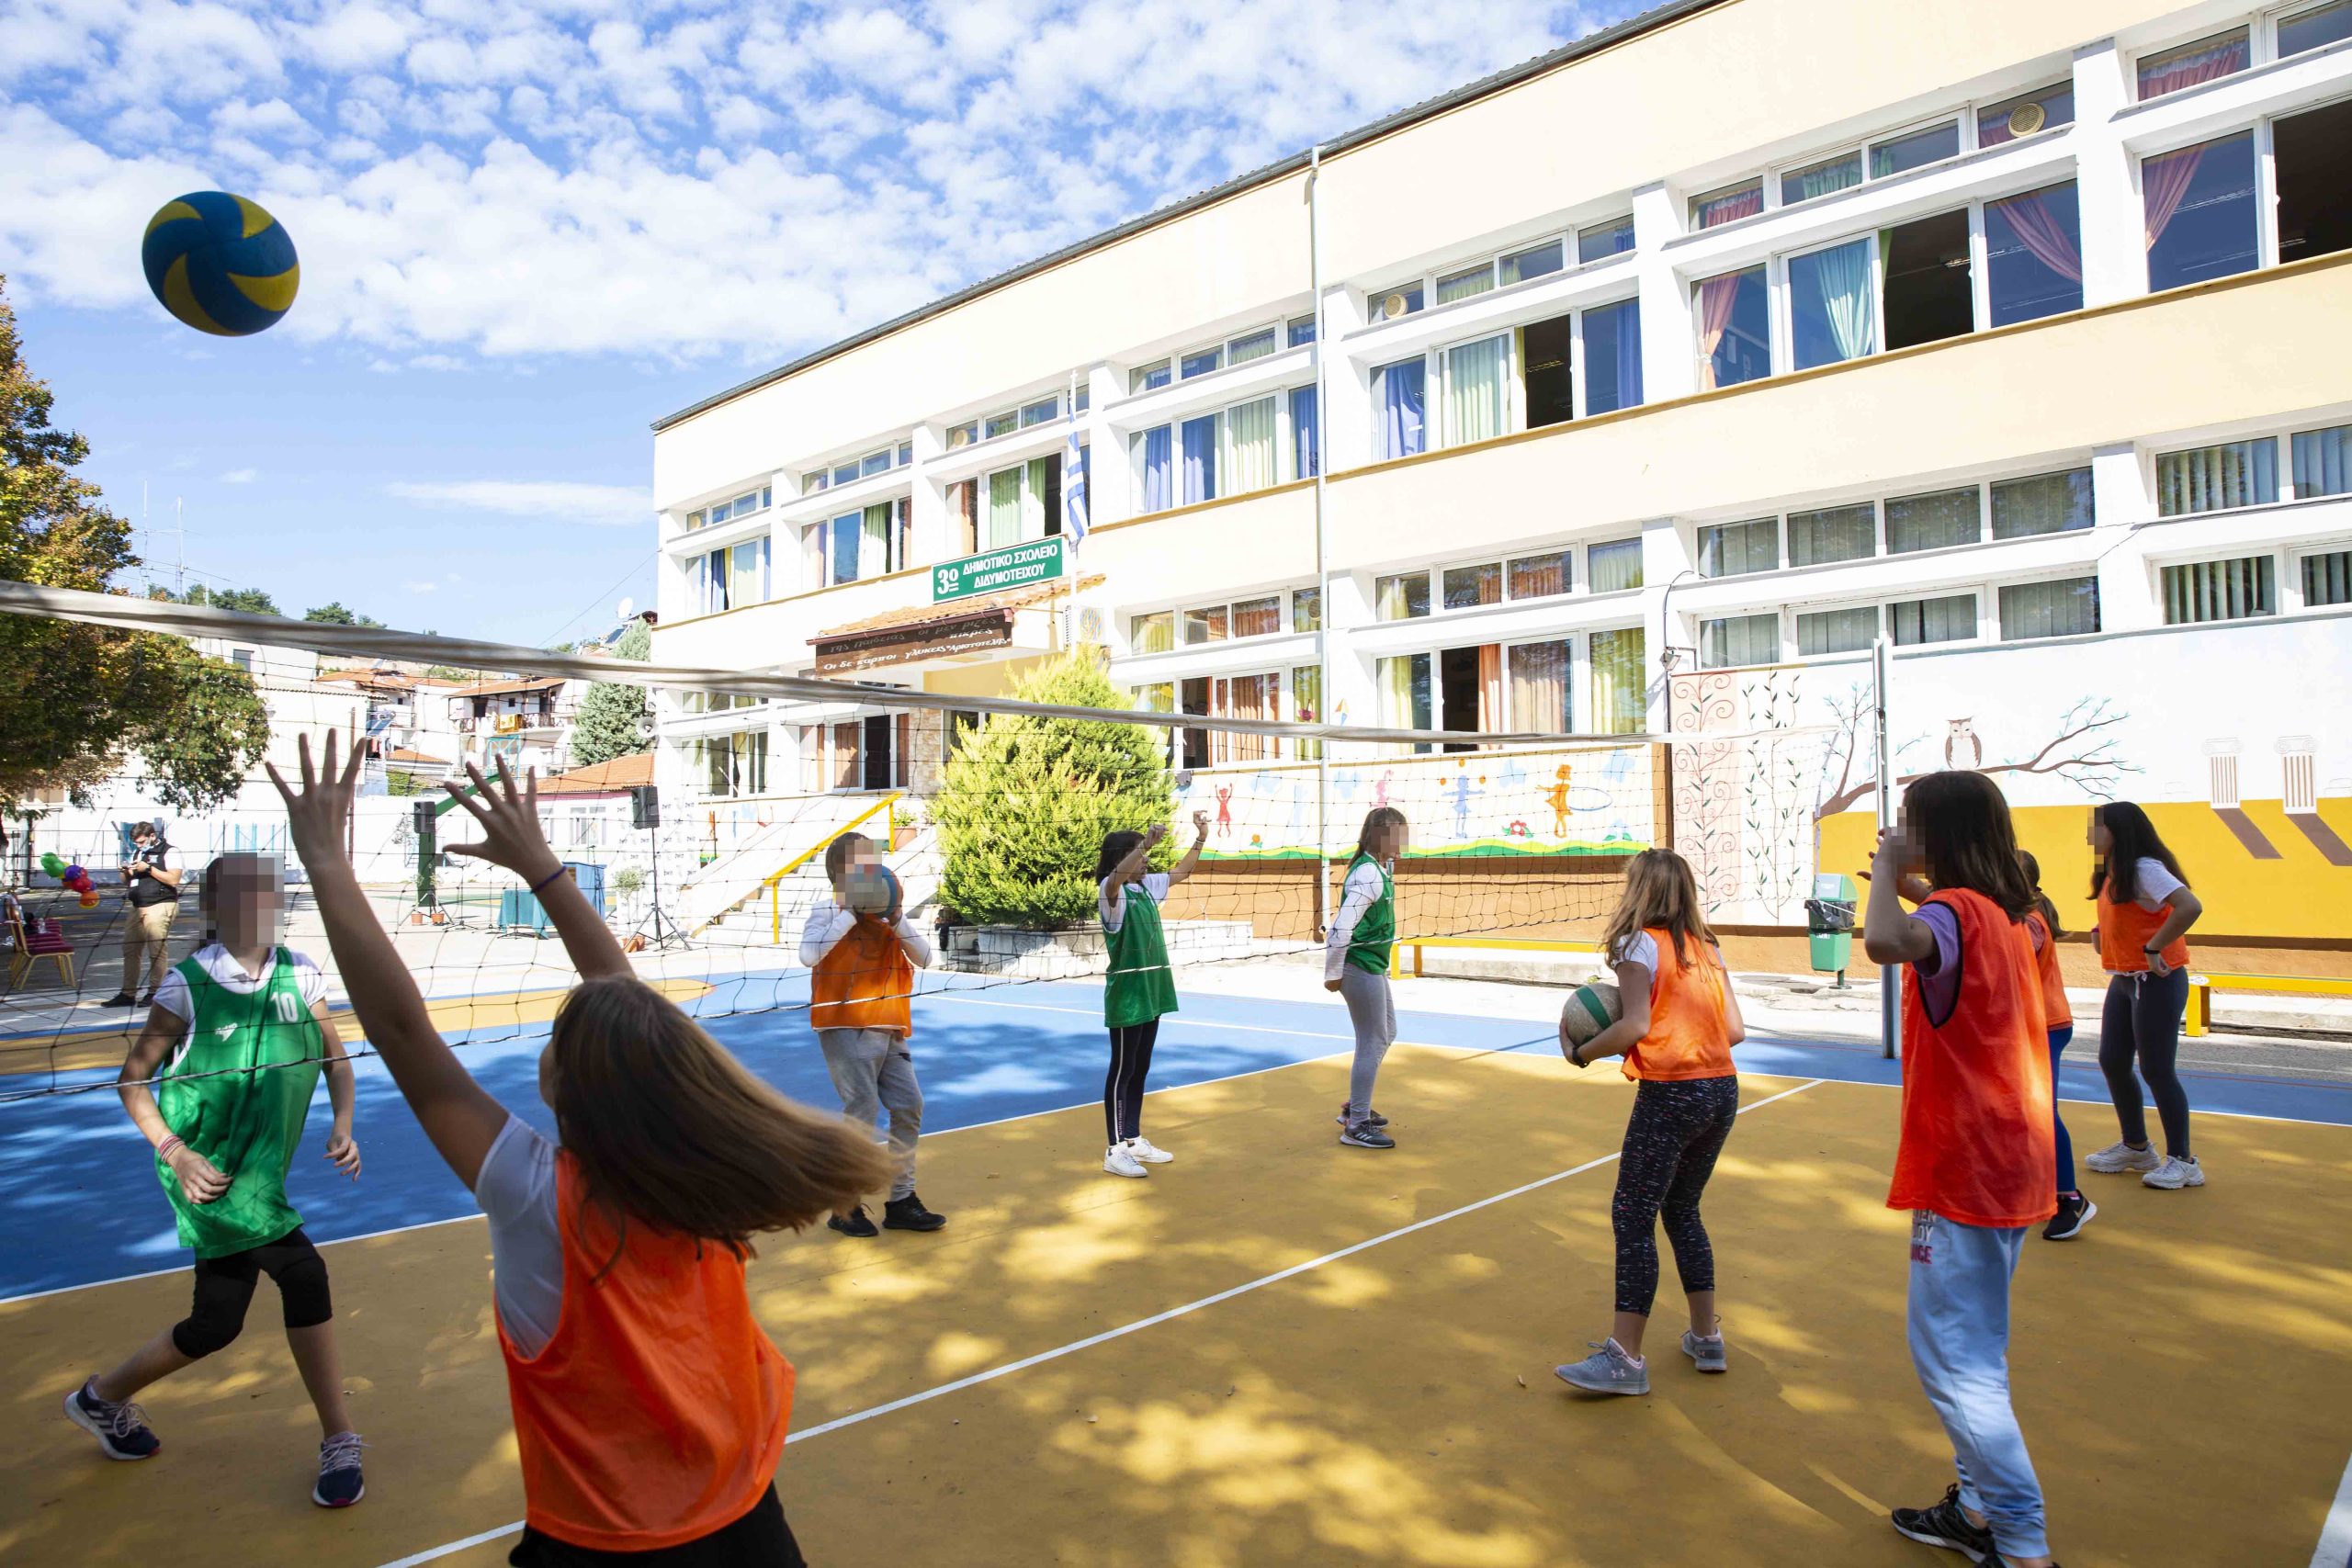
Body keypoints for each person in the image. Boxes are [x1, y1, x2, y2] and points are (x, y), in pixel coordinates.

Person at [272, 738, 889, 1565]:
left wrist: (325, 862)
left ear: (566, 1087)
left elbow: (399, 1030)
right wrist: (544, 870)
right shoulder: (700, 1168)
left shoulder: (541, 1198)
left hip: (604, 1544)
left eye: (556, 1041)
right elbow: (631, 1012)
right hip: (746, 1522)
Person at [64, 852, 367, 1508]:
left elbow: (338, 1060)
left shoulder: (301, 974)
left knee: (216, 1322)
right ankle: (340, 1438)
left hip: (262, 1170)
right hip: (207, 1172)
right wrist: (175, 1153)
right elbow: (132, 1078)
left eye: (272, 894)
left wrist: (343, 1123)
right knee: (304, 1271)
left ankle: (101, 1397)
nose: (265, 907)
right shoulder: (187, 985)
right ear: (217, 910)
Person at [1864, 771, 2060, 1568]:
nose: (1900, 829)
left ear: (1936, 832)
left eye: (1910, 821)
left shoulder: (1949, 915)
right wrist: (1909, 875)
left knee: (1955, 1364)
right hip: (2013, 1163)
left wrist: (1885, 872)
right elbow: (1942, 914)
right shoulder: (2011, 915)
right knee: (1978, 1347)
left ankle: (2021, 1541)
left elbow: (1884, 941)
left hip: (1968, 1170)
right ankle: (1978, 1508)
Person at [1552, 848, 1746, 1396]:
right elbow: (1733, 1031)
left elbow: (1635, 1023)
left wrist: (1581, 1050)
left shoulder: (1638, 944)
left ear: (1642, 891)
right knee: (1682, 1209)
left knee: (1632, 1217)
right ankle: (1706, 1338)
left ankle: (1624, 1360)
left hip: (1673, 1096)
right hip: (1721, 1090)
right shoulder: (1707, 947)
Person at [798, 830, 944, 1238]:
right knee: (861, 1111)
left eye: (877, 859)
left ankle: (901, 1200)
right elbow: (809, 955)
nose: (877, 866)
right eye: (866, 861)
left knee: (909, 1105)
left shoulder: (887, 919)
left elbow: (927, 957)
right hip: (846, 1025)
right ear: (843, 874)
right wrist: (848, 911)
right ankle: (843, 1206)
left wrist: (897, 918)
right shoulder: (827, 911)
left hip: (889, 1026)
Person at [2085, 801, 2206, 1190]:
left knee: (2156, 1069)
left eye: (2096, 827)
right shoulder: (2113, 874)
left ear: (2118, 831)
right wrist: (2102, 932)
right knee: (2113, 1061)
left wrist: (2154, 947)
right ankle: (2137, 1147)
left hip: (2157, 980)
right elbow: (2135, 915)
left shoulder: (2143, 868)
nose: (2089, 834)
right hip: (2124, 980)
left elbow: (2189, 906)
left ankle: (2184, 1161)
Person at [1095, 810, 1208, 1179]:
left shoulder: (1145, 887)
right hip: (1128, 993)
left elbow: (1182, 872)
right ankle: (1114, 1149)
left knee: (1140, 1068)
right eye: (1139, 855)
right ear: (1120, 859)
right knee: (1122, 1070)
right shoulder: (1111, 893)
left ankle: (1133, 1138)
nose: (1146, 860)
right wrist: (1145, 842)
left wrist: (1201, 836)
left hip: (1152, 989)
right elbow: (1114, 881)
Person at [1324, 807, 1408, 1150]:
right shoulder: (1367, 875)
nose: (1403, 840)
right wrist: (1333, 972)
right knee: (1372, 1041)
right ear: (1377, 836)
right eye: (1396, 834)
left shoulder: (1377, 869)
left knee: (1386, 1032)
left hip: (1371, 964)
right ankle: (1356, 1124)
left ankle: (1354, 1109)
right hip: (1357, 965)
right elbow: (1341, 928)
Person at [2021, 852, 2092, 1241]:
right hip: (2035, 1027)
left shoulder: (2028, 922)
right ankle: (2042, 1188)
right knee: (2024, 1113)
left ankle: (2070, 1197)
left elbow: (2012, 961)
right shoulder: (2023, 916)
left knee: (2042, 1113)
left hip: (2045, 1026)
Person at [105, 820, 182, 1009]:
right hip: (137, 905)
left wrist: (148, 869)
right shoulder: (139, 853)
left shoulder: (170, 852)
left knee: (156, 950)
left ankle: (156, 992)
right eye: (136, 843)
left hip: (160, 904)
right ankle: (127, 993)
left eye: (141, 842)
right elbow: (127, 881)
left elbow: (174, 879)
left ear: (152, 836)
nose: (138, 846)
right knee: (130, 949)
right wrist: (126, 871)